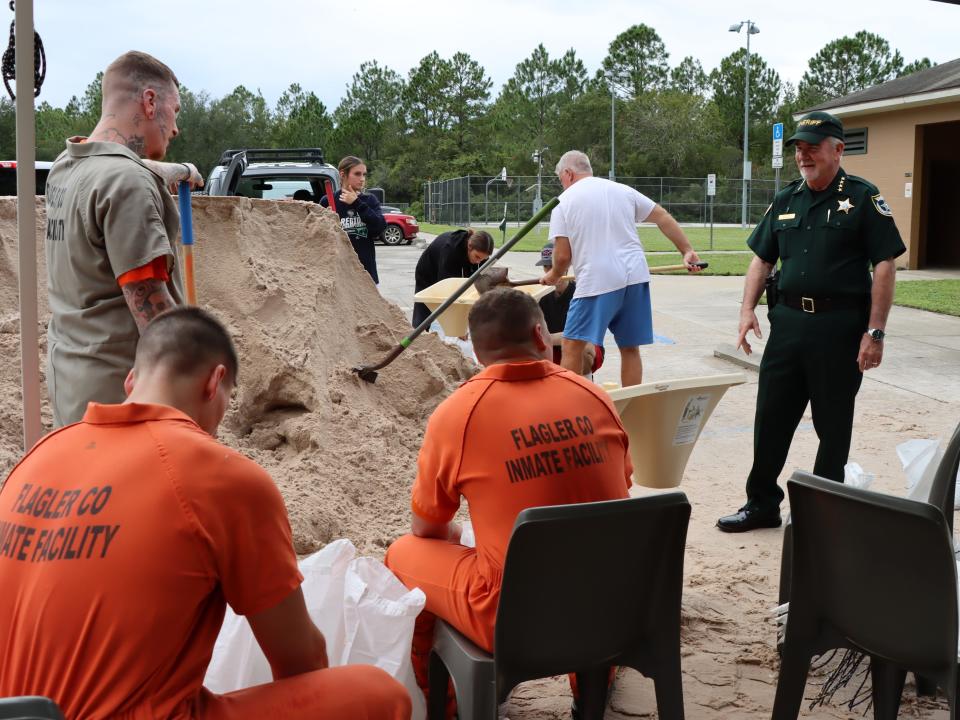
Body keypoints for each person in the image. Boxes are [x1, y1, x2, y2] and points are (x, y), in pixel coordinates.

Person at [0, 307, 411, 719]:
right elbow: (300, 661)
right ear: (214, 383)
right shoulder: (221, 476)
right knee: (376, 692)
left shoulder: (35, 459)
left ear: (131, 380)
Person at [385, 288, 633, 707]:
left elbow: (426, 527)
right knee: (588, 546)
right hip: (613, 604)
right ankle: (591, 691)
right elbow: (621, 488)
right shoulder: (595, 397)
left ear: (478, 353)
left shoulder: (458, 414)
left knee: (402, 553)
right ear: (541, 336)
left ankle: (444, 705)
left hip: (513, 619)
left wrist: (461, 530)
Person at [717, 111, 906, 533]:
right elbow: (762, 258)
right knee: (771, 417)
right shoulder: (786, 199)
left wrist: (875, 332)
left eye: (812, 147)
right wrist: (747, 311)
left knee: (833, 423)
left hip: (838, 329)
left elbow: (885, 265)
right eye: (799, 148)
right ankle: (761, 503)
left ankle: (821, 510)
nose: (803, 155)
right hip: (787, 326)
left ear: (837, 150)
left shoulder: (861, 197)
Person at [44, 50, 204, 428]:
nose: (175, 127)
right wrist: (200, 378)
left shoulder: (67, 168)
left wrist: (179, 170)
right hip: (127, 399)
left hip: (73, 386)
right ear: (150, 101)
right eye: (175, 111)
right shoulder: (127, 184)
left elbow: (120, 165)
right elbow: (150, 307)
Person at [540, 150, 703, 387]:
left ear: (568, 173)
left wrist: (553, 275)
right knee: (629, 348)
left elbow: (563, 256)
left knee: (571, 344)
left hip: (597, 281)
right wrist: (686, 250)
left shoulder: (563, 202)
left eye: (560, 179)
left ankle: (571, 409)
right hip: (635, 277)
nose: (562, 184)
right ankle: (632, 406)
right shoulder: (621, 190)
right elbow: (662, 217)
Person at [536, 240, 604, 376]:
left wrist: (549, 338)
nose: (551, 271)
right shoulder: (539, 296)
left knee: (583, 349)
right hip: (554, 348)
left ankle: (582, 387)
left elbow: (583, 336)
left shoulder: (582, 292)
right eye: (547, 267)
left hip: (581, 345)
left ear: (566, 266)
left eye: (554, 266)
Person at [320, 156, 386, 284]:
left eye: (364, 174)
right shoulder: (327, 201)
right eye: (357, 174)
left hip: (365, 272)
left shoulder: (369, 200)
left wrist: (357, 203)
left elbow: (379, 228)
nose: (362, 179)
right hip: (338, 273)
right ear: (343, 174)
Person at [411, 228, 494, 328]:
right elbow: (448, 292)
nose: (479, 262)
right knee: (425, 307)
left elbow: (475, 281)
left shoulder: (479, 255)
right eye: (477, 257)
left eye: (483, 259)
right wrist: (457, 326)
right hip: (428, 272)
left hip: (454, 264)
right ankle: (419, 334)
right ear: (469, 246)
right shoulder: (451, 250)